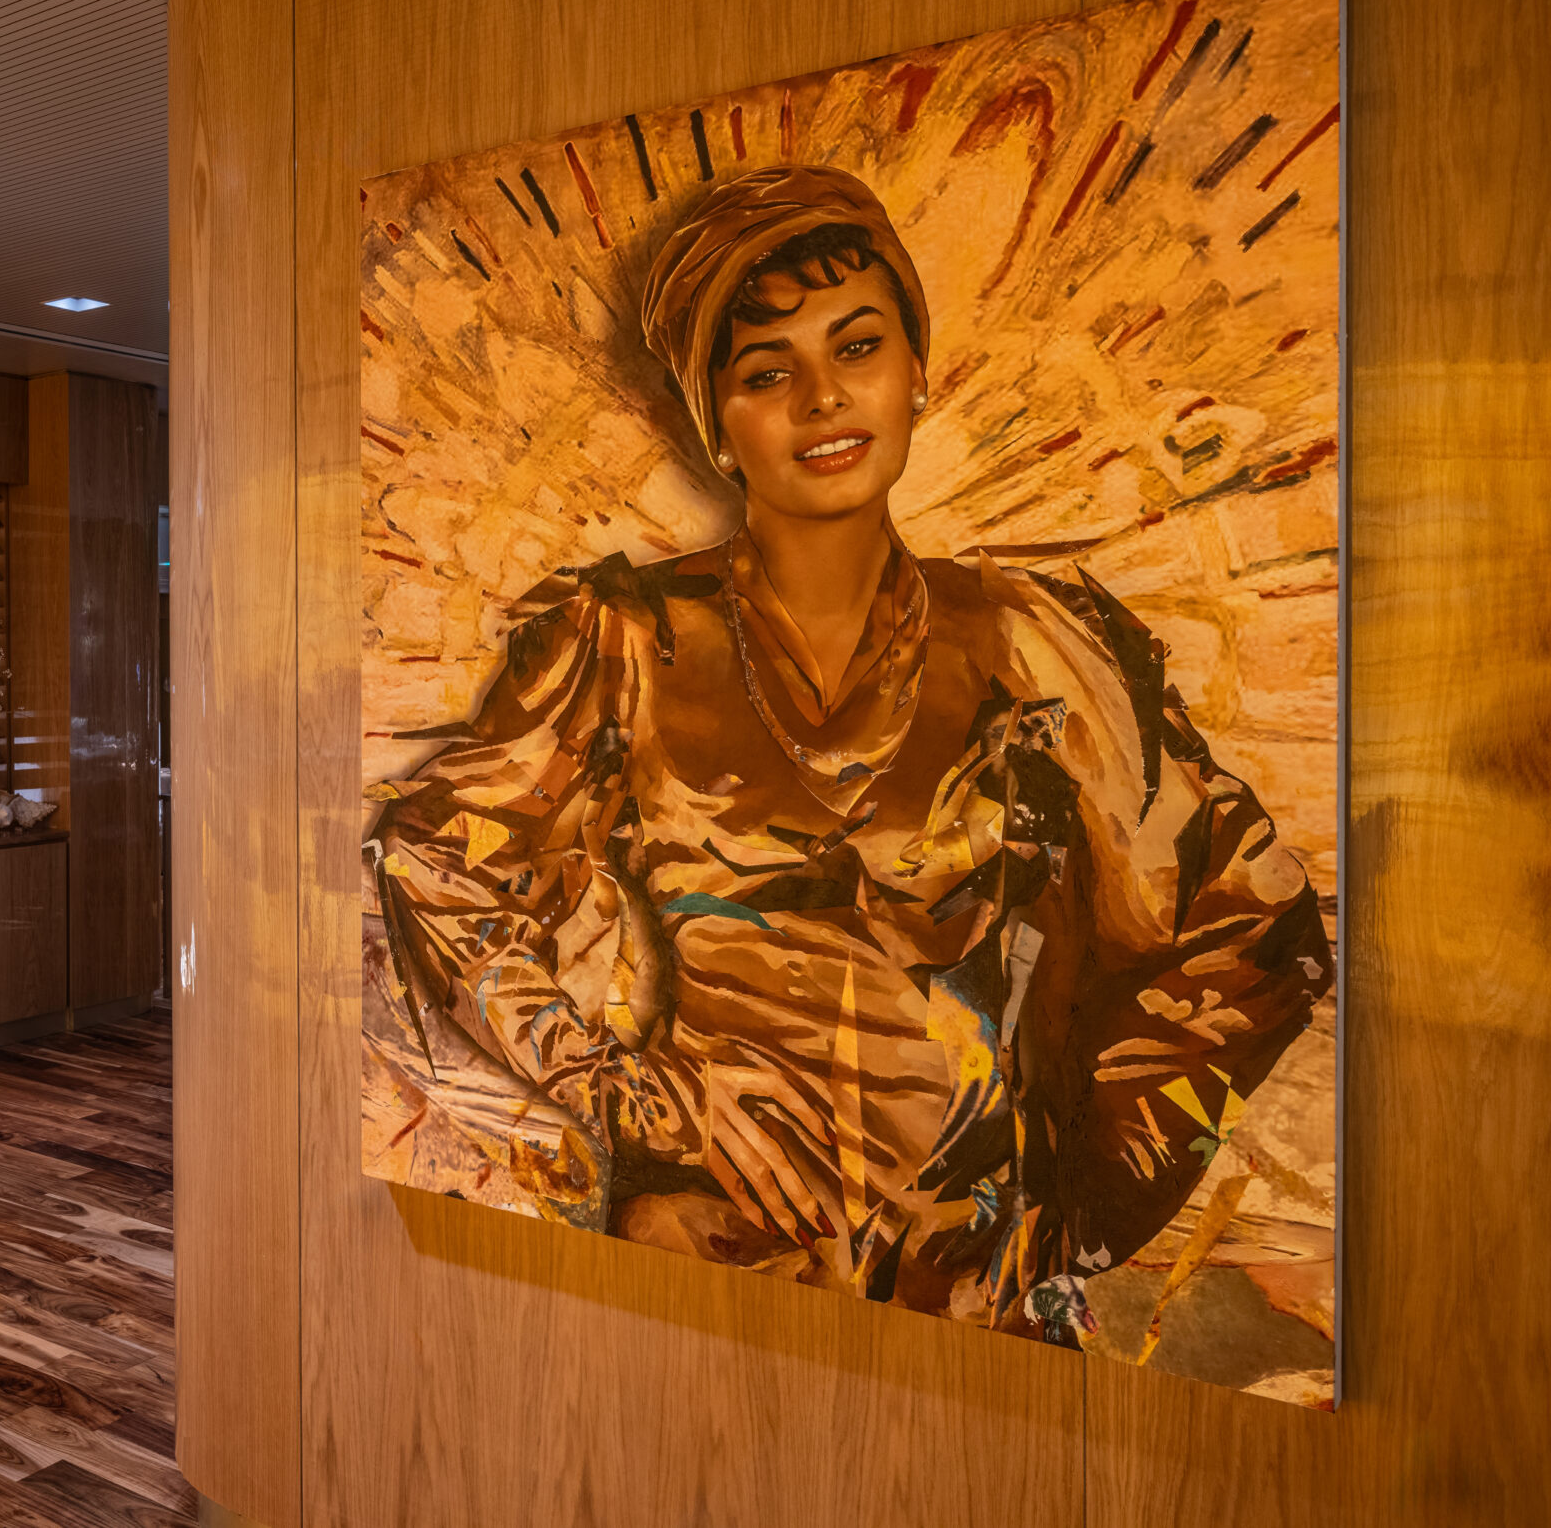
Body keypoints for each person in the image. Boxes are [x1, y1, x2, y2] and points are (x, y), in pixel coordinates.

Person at [367, 165, 1332, 1342]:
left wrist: (1071, 1202)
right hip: (704, 1263)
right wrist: (625, 1096)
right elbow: (434, 859)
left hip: (977, 1308)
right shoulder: (624, 641)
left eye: (857, 347)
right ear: (716, 423)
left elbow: (1247, 926)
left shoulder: (1032, 641)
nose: (822, 398)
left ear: (915, 370)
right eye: (766, 372)